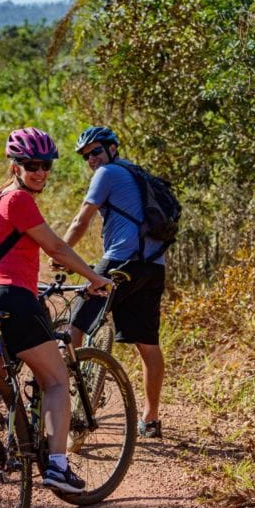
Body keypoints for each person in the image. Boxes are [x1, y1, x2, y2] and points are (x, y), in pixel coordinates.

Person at [0, 127, 112, 508]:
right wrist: (94, 277)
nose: (40, 172)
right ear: (14, 165)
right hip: (11, 299)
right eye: (31, 164)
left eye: (46, 165)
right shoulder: (19, 200)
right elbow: (54, 246)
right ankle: (57, 465)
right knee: (55, 379)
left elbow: (11, 264)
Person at [60, 126, 166, 439]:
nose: (91, 159)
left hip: (120, 261)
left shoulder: (106, 173)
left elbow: (82, 220)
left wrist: (61, 252)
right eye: (85, 155)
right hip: (152, 268)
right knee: (148, 345)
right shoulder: (137, 172)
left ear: (112, 148)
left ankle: (61, 402)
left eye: (95, 151)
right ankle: (151, 420)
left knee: (72, 329)